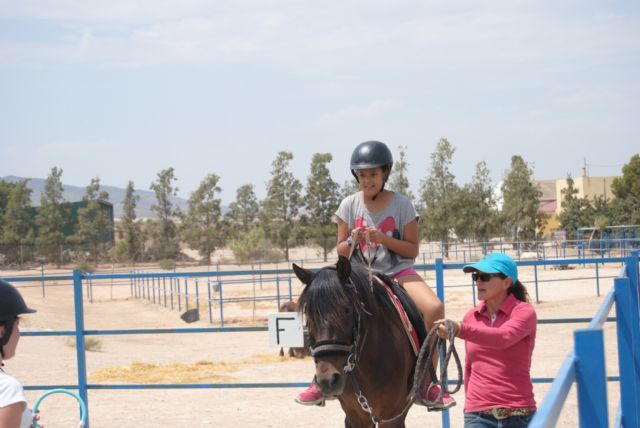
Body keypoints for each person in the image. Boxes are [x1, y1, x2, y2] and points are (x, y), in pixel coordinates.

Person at [295, 140, 455, 410]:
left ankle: (427, 381)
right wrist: (351, 242)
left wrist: (384, 239)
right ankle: (318, 380)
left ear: (385, 174)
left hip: (397, 271)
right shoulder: (348, 205)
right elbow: (341, 250)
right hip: (356, 274)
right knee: (323, 304)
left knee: (434, 307)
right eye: (362, 175)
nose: (367, 180)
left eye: (373, 174)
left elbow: (412, 248)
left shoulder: (403, 205)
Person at [435, 252, 537, 427]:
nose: (478, 281)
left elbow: (504, 337)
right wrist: (471, 405)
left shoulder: (524, 312)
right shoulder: (471, 317)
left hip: (519, 414)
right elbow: (469, 366)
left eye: (485, 276)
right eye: (476, 276)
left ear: (506, 282)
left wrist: (459, 329)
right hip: (478, 415)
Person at [0, 279, 37, 428]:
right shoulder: (7, 388)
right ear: (2, 331)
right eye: (17, 325)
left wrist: (22, 418)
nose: (18, 333)